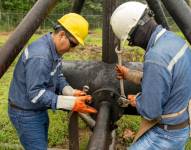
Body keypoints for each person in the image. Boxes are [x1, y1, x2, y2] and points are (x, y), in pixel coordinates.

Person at [8, 13, 97, 150]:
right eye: (73, 44)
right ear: (61, 35)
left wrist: (70, 92)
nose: (72, 49)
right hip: (25, 113)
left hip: (37, 110)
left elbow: (57, 75)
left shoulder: (54, 50)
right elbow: (36, 93)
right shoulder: (41, 56)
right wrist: (70, 103)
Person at [110, 1, 191, 150]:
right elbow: (167, 80)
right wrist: (130, 75)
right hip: (181, 127)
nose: (133, 44)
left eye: (131, 40)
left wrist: (137, 101)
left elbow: (151, 111)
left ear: (137, 29)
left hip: (165, 136)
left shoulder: (156, 57)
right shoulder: (174, 40)